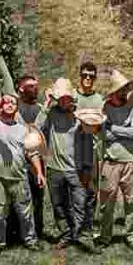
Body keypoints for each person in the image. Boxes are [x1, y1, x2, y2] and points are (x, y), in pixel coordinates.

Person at [0, 91, 42, 250]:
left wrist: (39, 172)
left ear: (17, 108)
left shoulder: (23, 130)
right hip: (0, 177)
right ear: (2, 106)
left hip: (19, 176)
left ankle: (30, 241)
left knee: (25, 213)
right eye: (7, 102)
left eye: (13, 103)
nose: (10, 105)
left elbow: (32, 153)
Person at [97, 70, 133, 247]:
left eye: (125, 88)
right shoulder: (105, 108)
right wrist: (123, 131)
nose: (123, 92)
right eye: (120, 89)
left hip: (130, 161)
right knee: (107, 204)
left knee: (132, 203)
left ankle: (132, 237)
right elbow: (102, 134)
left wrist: (114, 129)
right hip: (110, 163)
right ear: (113, 92)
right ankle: (105, 237)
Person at [40, 78, 85, 245]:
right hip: (54, 168)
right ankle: (66, 234)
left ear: (71, 98)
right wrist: (45, 106)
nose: (64, 101)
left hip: (75, 168)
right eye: (61, 98)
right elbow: (36, 129)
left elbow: (92, 133)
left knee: (79, 204)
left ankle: (79, 235)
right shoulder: (50, 113)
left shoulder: (79, 114)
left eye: (67, 97)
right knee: (58, 205)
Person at [15, 72, 46, 240]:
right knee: (20, 198)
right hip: (18, 160)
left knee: (37, 198)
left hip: (37, 159)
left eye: (36, 86)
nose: (35, 89)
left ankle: (38, 232)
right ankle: (18, 232)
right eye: (31, 86)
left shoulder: (40, 108)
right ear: (21, 89)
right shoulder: (14, 107)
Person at [75, 62, 104, 235]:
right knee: (76, 188)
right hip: (75, 148)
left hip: (92, 149)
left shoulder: (98, 99)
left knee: (91, 189)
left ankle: (88, 223)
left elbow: (100, 125)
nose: (87, 78)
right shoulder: (73, 96)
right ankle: (75, 225)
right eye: (85, 75)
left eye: (91, 76)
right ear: (80, 76)